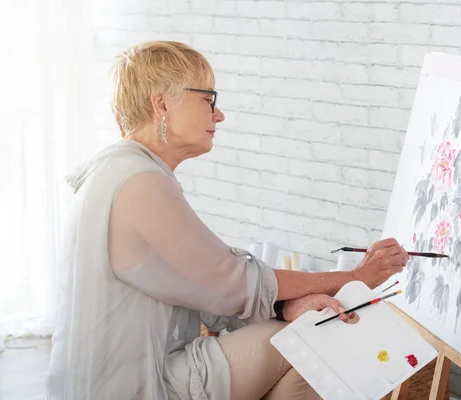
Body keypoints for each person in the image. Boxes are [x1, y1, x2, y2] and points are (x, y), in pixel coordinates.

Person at [46, 40, 409, 400]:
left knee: (306, 341)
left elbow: (203, 284)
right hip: (138, 384)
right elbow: (231, 280)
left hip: (126, 376)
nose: (218, 115)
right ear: (162, 103)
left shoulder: (123, 171)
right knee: (317, 336)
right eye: (208, 99)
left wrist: (286, 306)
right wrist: (356, 277)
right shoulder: (139, 181)